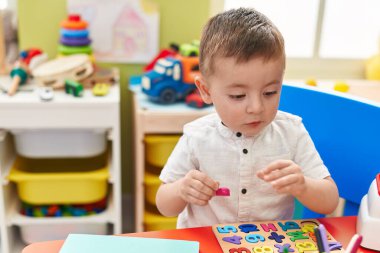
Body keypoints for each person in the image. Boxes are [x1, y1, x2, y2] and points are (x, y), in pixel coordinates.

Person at [155, 7, 339, 228]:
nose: (256, 107)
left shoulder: (291, 132)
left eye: (270, 92)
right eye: (238, 96)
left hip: (270, 244)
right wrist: (181, 189)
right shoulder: (197, 136)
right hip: (206, 242)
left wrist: (303, 186)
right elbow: (164, 205)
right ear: (205, 90)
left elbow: (329, 201)